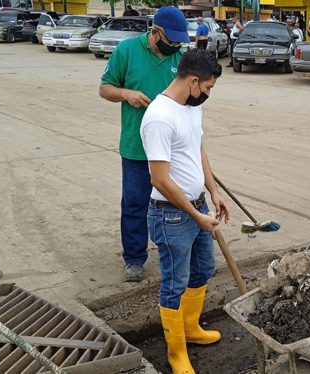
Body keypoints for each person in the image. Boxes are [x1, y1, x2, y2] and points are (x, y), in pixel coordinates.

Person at [141, 49, 228, 374]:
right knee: (175, 283)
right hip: (171, 216)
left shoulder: (190, 108)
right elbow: (160, 179)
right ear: (192, 80)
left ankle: (190, 329)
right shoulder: (160, 117)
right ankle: (176, 352)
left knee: (203, 269)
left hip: (198, 207)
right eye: (206, 88)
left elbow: (197, 148)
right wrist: (195, 215)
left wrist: (214, 192)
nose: (207, 95)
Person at [99, 6, 189, 282]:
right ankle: (135, 258)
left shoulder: (181, 58)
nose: (174, 46)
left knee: (173, 202)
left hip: (170, 148)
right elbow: (105, 88)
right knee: (135, 204)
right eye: (170, 40)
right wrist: (126, 94)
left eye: (178, 42)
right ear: (155, 31)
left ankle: (175, 253)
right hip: (136, 148)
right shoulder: (126, 51)